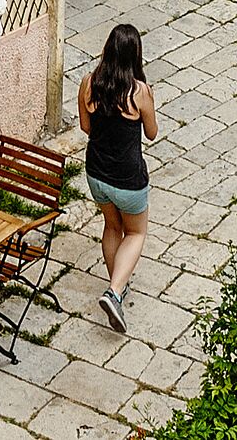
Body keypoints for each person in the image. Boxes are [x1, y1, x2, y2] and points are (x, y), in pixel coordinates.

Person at [79, 23, 159, 331]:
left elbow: (87, 128)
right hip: (128, 179)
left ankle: (117, 291)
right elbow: (151, 133)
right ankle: (114, 291)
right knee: (135, 234)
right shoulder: (139, 93)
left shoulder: (89, 83)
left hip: (96, 174)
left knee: (112, 226)